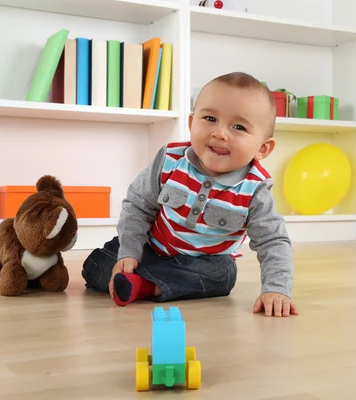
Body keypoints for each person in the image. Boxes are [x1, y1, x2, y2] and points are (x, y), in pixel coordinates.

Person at [81, 71, 299, 317]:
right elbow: (138, 206)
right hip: (150, 248)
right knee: (95, 266)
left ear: (262, 148)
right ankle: (144, 279)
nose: (219, 133)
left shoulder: (254, 189)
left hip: (202, 264)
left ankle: (143, 285)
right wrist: (130, 253)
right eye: (210, 118)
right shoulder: (170, 159)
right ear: (191, 122)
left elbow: (273, 241)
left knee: (223, 275)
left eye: (238, 127)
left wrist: (276, 289)